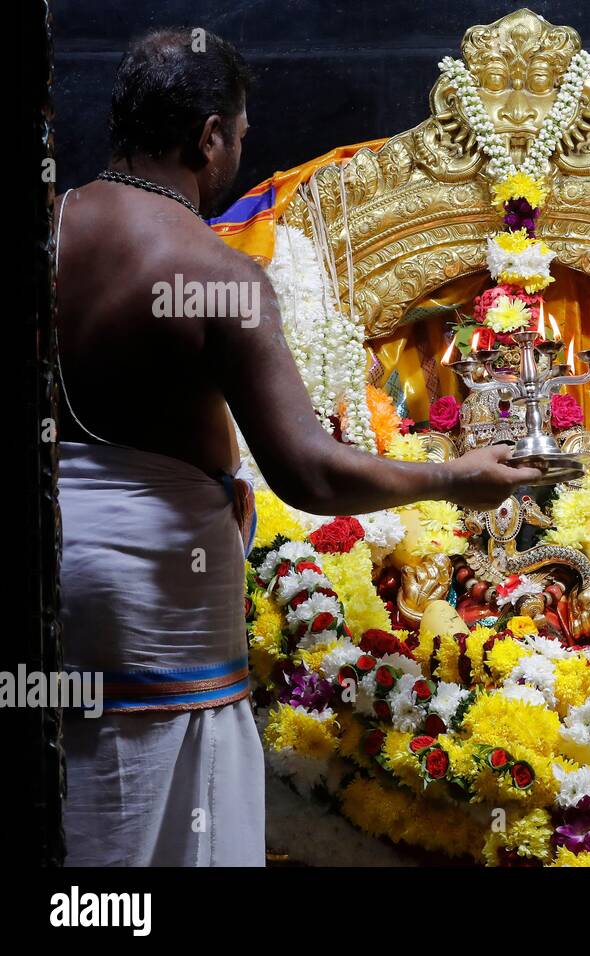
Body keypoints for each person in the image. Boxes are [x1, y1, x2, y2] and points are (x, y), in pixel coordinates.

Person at [53, 29, 542, 866]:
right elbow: (308, 471)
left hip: (57, 571)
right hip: (155, 597)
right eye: (239, 137)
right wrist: (454, 476)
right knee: (167, 809)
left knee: (82, 795)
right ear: (208, 135)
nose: (239, 154)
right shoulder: (215, 272)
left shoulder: (51, 225)